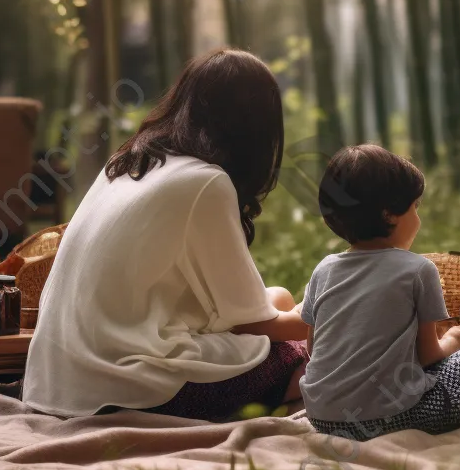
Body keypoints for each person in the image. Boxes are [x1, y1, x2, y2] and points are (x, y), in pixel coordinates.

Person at [22, 48, 310, 422]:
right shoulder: (206, 182)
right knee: (305, 356)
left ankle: (271, 406)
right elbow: (249, 322)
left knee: (280, 300)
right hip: (126, 390)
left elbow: (239, 312)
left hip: (54, 383)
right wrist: (327, 308)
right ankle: (274, 407)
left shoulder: (126, 163)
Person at [300, 144, 460, 442]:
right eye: (415, 207)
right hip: (386, 419)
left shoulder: (323, 269)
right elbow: (429, 355)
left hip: (322, 418)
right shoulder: (418, 269)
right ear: (389, 214)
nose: (418, 217)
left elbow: (313, 351)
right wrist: (456, 340)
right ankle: (452, 413)